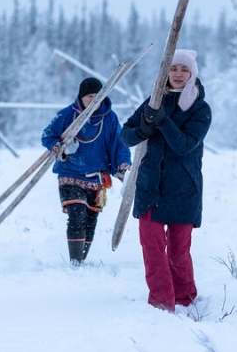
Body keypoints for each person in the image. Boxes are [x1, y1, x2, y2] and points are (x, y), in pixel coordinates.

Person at [120, 50, 212, 312]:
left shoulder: (200, 109)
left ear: (192, 73)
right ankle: (161, 302)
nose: (179, 74)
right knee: (151, 246)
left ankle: (185, 298)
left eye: (184, 69)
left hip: (184, 189)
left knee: (178, 251)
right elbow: (125, 136)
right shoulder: (154, 101)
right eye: (174, 69)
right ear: (166, 73)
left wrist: (163, 121)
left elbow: (184, 145)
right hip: (151, 187)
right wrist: (143, 129)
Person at [41, 77, 131, 266]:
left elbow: (119, 144)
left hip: (96, 176)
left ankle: (81, 260)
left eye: (97, 96)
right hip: (70, 172)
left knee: (91, 219)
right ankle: (75, 262)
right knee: (77, 214)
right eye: (89, 96)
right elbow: (47, 135)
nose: (93, 100)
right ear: (81, 97)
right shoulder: (67, 115)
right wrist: (61, 148)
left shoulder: (110, 118)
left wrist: (123, 166)